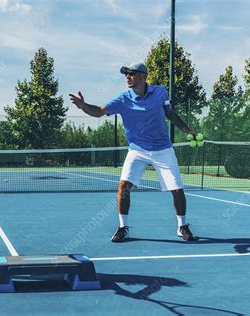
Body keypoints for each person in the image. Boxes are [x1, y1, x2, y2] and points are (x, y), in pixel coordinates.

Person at [69, 63, 197, 242]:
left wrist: (186, 129)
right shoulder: (123, 99)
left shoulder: (160, 92)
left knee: (177, 189)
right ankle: (123, 228)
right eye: (126, 74)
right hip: (137, 150)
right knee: (123, 187)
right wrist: (84, 106)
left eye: (132, 74)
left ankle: (182, 226)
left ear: (143, 76)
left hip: (163, 149)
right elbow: (99, 112)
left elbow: (169, 112)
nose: (127, 77)